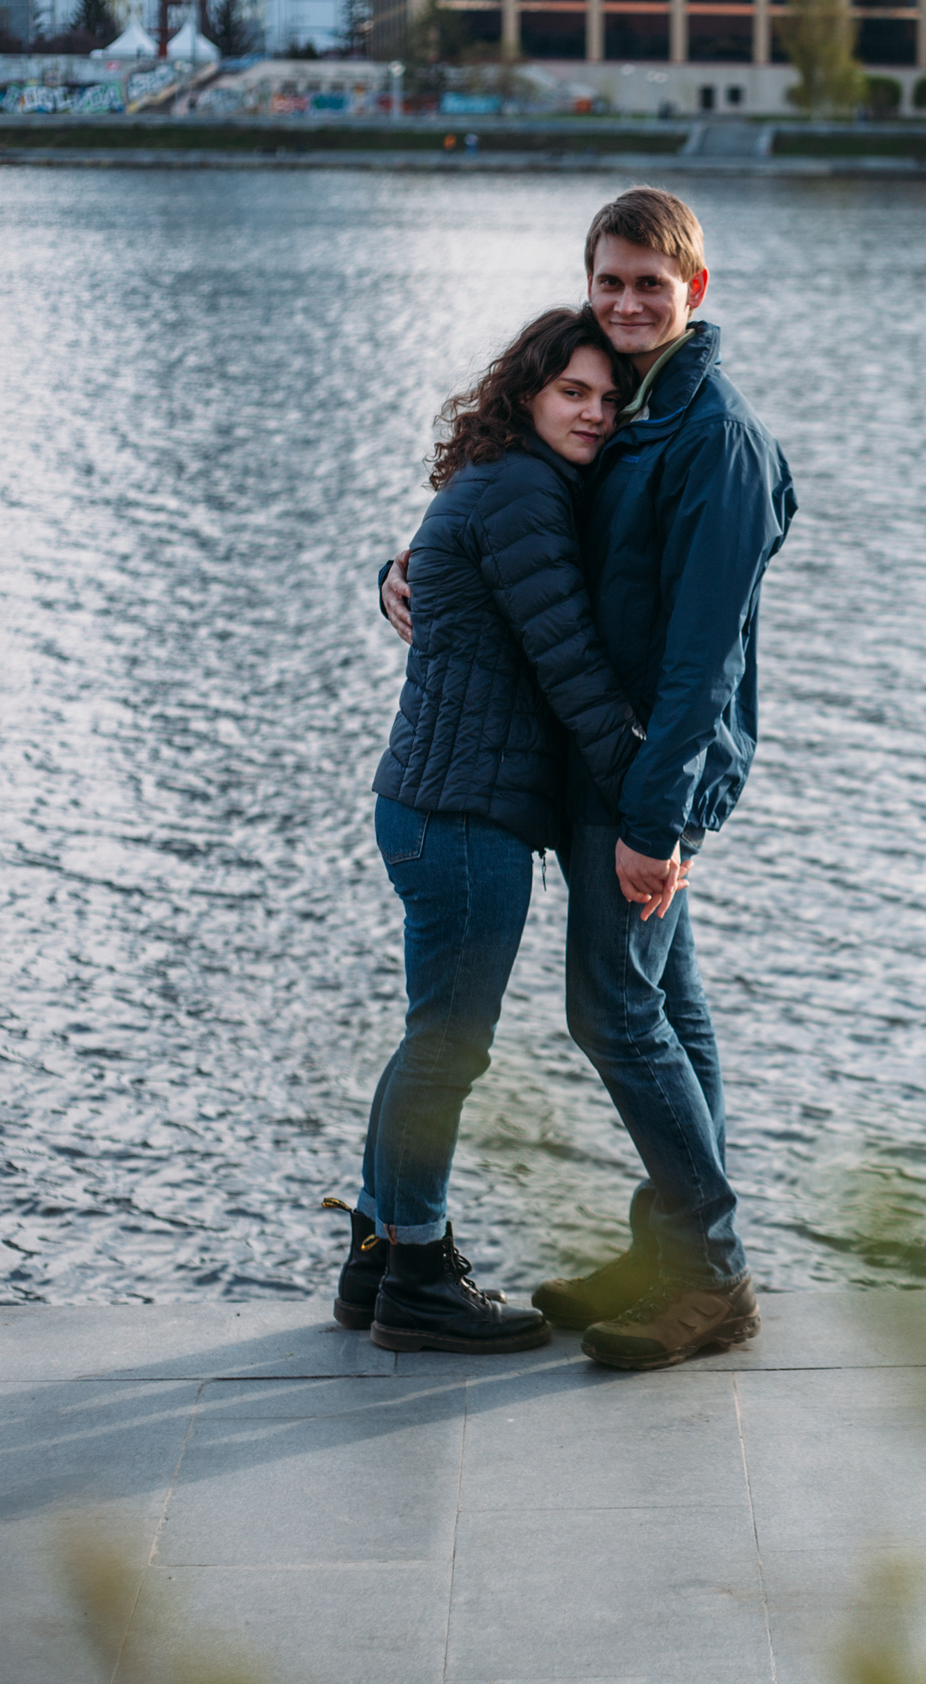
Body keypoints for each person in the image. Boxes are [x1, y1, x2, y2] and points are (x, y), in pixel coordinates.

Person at [382, 186, 795, 1371]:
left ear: (693, 292)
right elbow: (513, 526)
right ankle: (672, 1248)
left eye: (647, 285)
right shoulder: (632, 410)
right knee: (671, 1006)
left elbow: (705, 655)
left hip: (641, 774)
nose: (623, 302)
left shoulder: (711, 435)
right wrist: (399, 568)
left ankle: (711, 1275)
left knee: (612, 1010)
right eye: (608, 279)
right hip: (603, 762)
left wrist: (656, 821)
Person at [335, 305, 680, 1356]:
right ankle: (421, 1274)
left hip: (430, 805)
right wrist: (651, 814)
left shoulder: (495, 481)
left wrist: (383, 574)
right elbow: (572, 669)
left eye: (607, 398)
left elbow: (435, 580)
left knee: (430, 1039)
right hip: (465, 817)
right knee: (448, 1046)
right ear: (527, 391)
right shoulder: (526, 491)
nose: (592, 410)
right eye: (571, 390)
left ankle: (377, 1256)